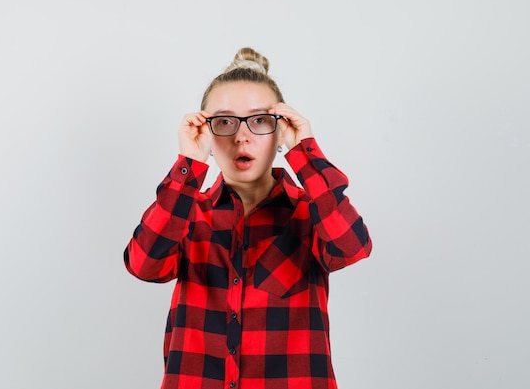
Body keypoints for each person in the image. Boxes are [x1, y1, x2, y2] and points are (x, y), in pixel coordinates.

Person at [124, 47, 372, 389]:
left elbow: (351, 247)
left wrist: (305, 153)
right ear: (206, 131)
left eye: (259, 121)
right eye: (224, 122)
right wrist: (189, 163)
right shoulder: (187, 213)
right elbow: (144, 265)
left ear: (280, 131)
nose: (242, 136)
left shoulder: (310, 211)